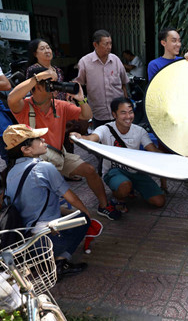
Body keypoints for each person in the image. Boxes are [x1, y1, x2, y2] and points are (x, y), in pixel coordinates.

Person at [7, 66, 122, 221]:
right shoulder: (25, 106)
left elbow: (86, 115)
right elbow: (12, 98)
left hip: (59, 154)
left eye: (55, 83)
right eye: (48, 83)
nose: (54, 87)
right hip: (37, 160)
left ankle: (104, 205)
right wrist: (38, 77)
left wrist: (82, 99)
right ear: (37, 86)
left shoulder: (59, 105)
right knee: (51, 193)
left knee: (89, 170)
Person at [2, 124, 91, 277]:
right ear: (26, 149)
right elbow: (72, 197)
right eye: (37, 139)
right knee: (83, 219)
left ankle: (45, 258)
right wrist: (87, 213)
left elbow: (31, 203)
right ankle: (60, 262)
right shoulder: (44, 168)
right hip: (44, 243)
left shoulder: (10, 171)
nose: (43, 139)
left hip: (22, 240)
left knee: (68, 214)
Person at [71, 97, 166, 209]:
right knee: (124, 186)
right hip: (113, 171)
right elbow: (92, 138)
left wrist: (175, 158)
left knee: (159, 201)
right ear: (114, 114)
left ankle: (133, 187)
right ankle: (118, 197)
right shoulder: (105, 129)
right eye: (123, 113)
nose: (128, 117)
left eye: (130, 112)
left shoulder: (140, 131)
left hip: (136, 172)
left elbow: (154, 151)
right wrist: (80, 137)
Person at [26, 38, 88, 156]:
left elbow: (60, 89)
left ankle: (67, 168)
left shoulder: (57, 70)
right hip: (45, 111)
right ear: (35, 53)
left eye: (48, 47)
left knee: (67, 141)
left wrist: (68, 95)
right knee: (50, 142)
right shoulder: (33, 70)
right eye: (42, 49)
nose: (47, 51)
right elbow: (32, 90)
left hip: (61, 109)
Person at [75, 29, 129, 128]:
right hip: (98, 113)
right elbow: (79, 84)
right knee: (101, 140)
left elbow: (123, 83)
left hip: (118, 111)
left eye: (110, 43)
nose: (109, 47)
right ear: (95, 44)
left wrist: (126, 102)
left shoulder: (116, 60)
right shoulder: (85, 62)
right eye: (106, 44)